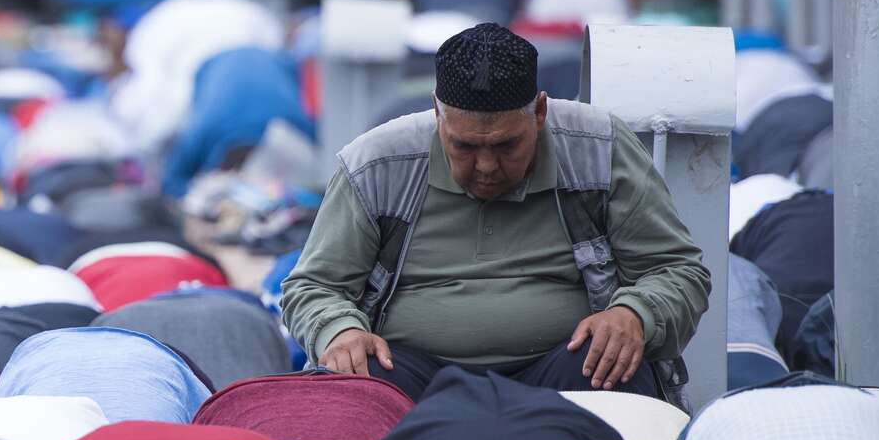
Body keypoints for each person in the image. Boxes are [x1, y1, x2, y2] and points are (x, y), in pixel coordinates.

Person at [280, 23, 708, 402]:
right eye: (465, 147)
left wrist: (634, 314)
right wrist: (341, 331)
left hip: (566, 370)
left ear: (540, 113)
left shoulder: (599, 150)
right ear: (437, 114)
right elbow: (313, 287)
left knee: (616, 370)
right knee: (356, 386)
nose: (486, 167)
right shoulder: (377, 163)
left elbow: (678, 270)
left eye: (506, 146)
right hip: (412, 377)